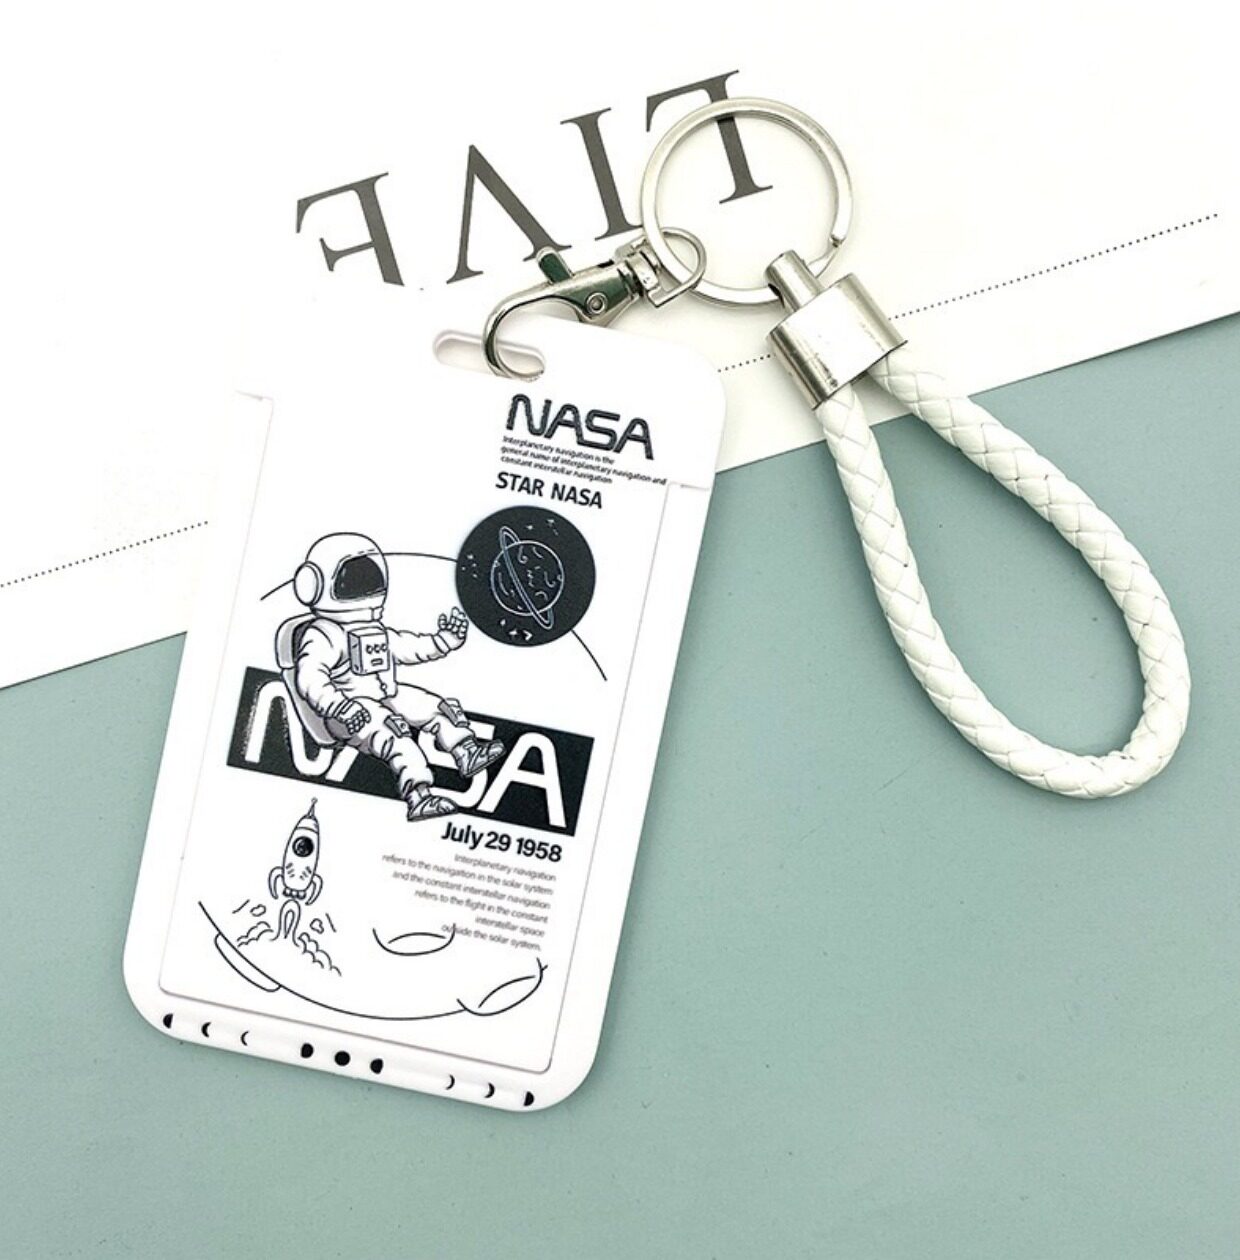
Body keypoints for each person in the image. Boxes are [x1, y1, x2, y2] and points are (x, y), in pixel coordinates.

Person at [287, 532, 503, 820]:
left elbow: (406, 647)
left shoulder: (372, 627)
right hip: (349, 711)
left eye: (368, 579)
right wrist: (340, 706)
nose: (364, 588)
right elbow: (311, 680)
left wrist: (443, 641)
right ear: (314, 584)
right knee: (396, 734)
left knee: (436, 707)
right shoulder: (323, 634)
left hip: (385, 694)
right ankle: (418, 796)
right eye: (353, 581)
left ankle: (466, 751)